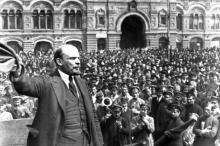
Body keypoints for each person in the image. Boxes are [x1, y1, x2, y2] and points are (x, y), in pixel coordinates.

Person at [10, 44, 103, 146]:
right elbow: (27, 85)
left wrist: (99, 142)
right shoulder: (47, 83)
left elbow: (93, 117)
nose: (78, 62)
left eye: (78, 58)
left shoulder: (82, 83)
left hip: (86, 141)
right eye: (72, 58)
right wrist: (17, 72)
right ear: (59, 62)